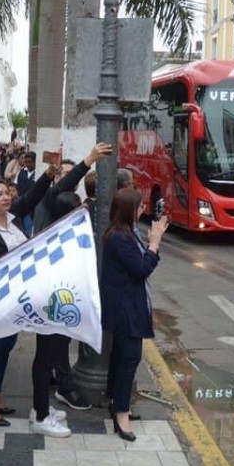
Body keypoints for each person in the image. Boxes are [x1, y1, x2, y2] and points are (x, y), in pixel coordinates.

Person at [0, 171, 56, 432]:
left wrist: (49, 174)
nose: (6, 197)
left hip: (17, 299)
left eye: (8, 193)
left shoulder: (15, 220)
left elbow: (33, 196)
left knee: (7, 345)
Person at [30, 144, 112, 417]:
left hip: (64, 288)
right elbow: (59, 187)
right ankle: (46, 405)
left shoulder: (73, 210)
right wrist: (88, 160)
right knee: (49, 348)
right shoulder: (49, 203)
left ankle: (49, 395)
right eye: (64, 175)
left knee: (58, 343)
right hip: (49, 289)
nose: (68, 180)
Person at [101, 188, 168, 442]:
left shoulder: (125, 234)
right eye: (140, 207)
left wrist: (151, 242)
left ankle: (117, 400)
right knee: (130, 358)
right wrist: (155, 243)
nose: (143, 211)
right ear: (129, 209)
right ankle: (121, 413)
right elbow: (141, 269)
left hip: (127, 305)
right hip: (126, 309)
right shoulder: (120, 238)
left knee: (121, 356)